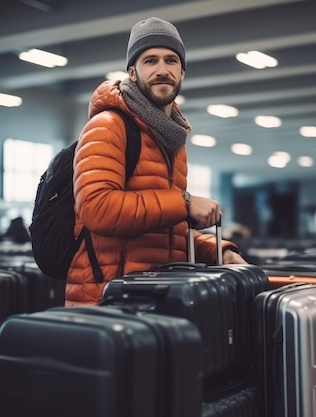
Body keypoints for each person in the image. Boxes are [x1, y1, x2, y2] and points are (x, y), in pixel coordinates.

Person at [66, 17, 246, 305]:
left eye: (171, 60)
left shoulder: (172, 138)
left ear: (183, 72)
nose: (162, 70)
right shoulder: (109, 125)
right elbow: (96, 208)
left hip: (156, 293)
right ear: (132, 73)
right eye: (150, 61)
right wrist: (185, 202)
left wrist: (218, 251)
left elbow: (166, 232)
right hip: (107, 301)